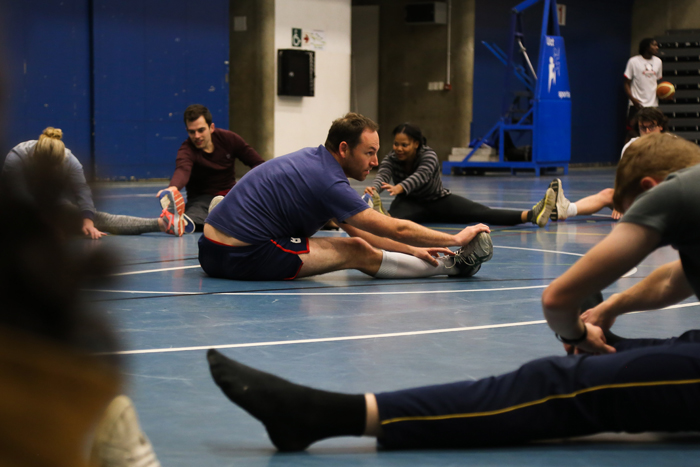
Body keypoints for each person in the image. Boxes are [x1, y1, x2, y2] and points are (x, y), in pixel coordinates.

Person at [206, 132, 700, 451]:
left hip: (233, 249)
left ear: (656, 187)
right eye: (372, 150)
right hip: (249, 250)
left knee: (559, 380)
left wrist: (577, 327)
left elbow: (559, 300)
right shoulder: (329, 176)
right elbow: (676, 277)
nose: (380, 158)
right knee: (615, 352)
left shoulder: (680, 191)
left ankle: (333, 415)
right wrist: (609, 309)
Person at [199, 113, 494, 281]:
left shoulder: (313, 160)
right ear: (343, 149)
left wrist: (413, 250)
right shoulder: (328, 183)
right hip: (239, 256)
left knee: (354, 236)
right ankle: (453, 265)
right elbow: (394, 227)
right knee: (355, 250)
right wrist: (454, 240)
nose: (376, 161)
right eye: (369, 153)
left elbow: (361, 227)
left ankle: (222, 211)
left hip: (209, 251)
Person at [2, 127, 187, 238]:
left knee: (97, 219)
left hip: (52, 205)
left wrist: (88, 220)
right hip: (16, 209)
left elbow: (83, 193)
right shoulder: (16, 159)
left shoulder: (69, 160)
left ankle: (164, 224)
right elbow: (20, 201)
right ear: (35, 157)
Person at [363, 123, 556, 228]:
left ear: (416, 144)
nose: (398, 149)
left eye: (404, 145)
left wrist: (400, 187)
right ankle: (383, 216)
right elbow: (383, 174)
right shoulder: (391, 157)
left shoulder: (428, 155)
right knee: (391, 221)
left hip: (439, 200)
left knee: (482, 213)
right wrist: (375, 188)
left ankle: (531, 215)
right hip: (409, 202)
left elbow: (421, 176)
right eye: (396, 144)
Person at [156, 104, 265, 231]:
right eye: (192, 132)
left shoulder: (229, 139)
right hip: (202, 199)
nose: (196, 136)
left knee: (251, 206)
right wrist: (173, 188)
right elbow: (182, 169)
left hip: (230, 194)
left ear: (211, 128)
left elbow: (258, 163)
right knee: (198, 213)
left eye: (201, 130)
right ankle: (185, 223)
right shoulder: (186, 150)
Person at [550, 107, 668, 222]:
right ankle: (565, 210)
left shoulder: (672, 146)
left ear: (661, 126)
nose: (647, 132)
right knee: (608, 193)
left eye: (651, 127)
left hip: (664, 199)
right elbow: (623, 178)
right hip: (639, 199)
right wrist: (620, 201)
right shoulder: (631, 147)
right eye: (643, 127)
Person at [624, 38, 662, 140]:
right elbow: (626, 83)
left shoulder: (658, 62)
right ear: (646, 47)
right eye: (654, 45)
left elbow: (657, 83)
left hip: (653, 105)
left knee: (653, 134)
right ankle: (628, 155)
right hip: (636, 105)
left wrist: (664, 94)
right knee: (632, 132)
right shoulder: (633, 61)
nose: (657, 47)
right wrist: (633, 99)